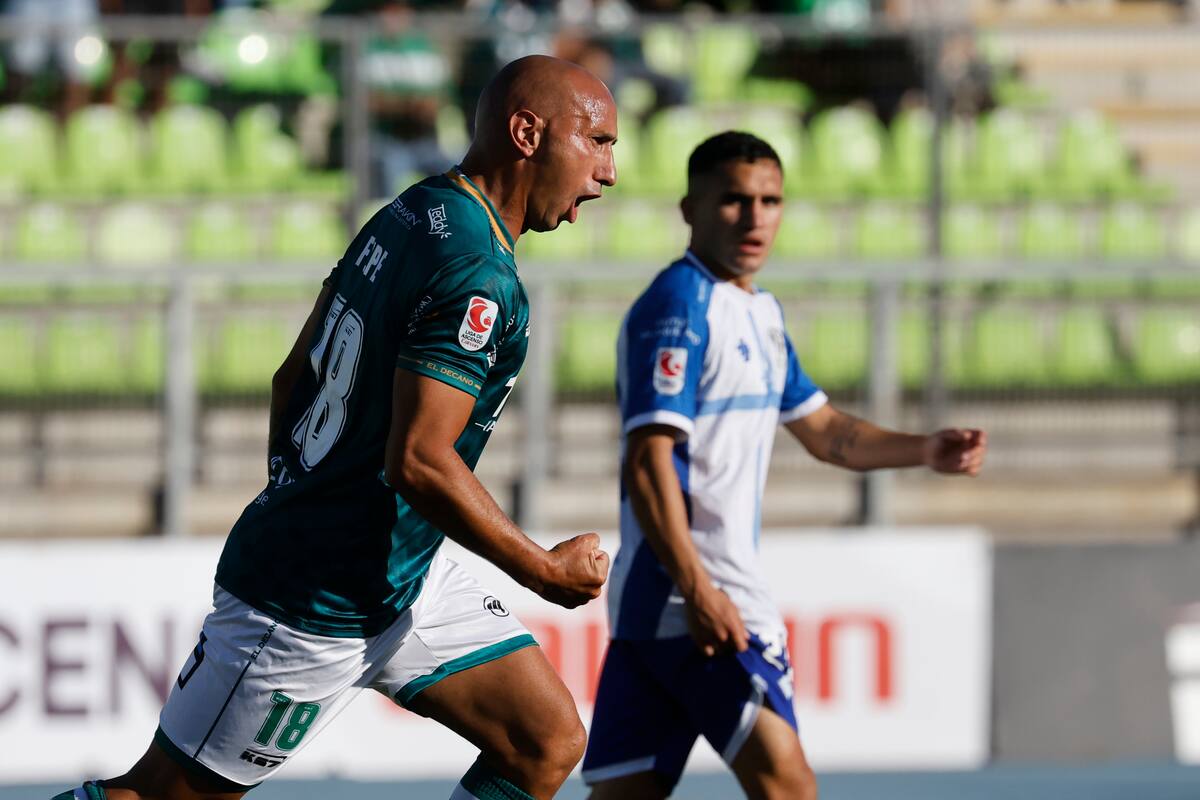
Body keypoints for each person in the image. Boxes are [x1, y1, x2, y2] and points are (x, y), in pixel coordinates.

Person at [54, 54, 618, 800]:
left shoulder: (413, 211)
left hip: (401, 575)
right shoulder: (479, 274)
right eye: (599, 142)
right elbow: (419, 460)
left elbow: (294, 376)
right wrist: (540, 570)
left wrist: (302, 491)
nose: (608, 172)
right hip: (314, 601)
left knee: (543, 741)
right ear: (526, 132)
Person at [581, 131, 987, 800]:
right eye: (735, 200)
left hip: (661, 608)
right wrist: (699, 586)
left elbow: (827, 433)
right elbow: (648, 460)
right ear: (691, 209)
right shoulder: (678, 306)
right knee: (787, 786)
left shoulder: (760, 314)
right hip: (699, 600)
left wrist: (925, 449)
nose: (755, 217)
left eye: (770, 201)